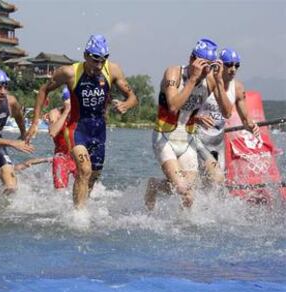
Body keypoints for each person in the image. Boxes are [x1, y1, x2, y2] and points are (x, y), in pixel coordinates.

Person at [26, 34, 138, 208]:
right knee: (84, 169)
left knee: (92, 175)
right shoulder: (69, 73)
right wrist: (34, 123)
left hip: (99, 132)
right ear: (86, 56)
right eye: (95, 61)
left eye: (103, 60)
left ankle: (80, 207)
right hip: (77, 130)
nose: (99, 66)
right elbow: (43, 90)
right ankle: (78, 216)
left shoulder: (113, 70)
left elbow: (132, 97)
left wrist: (126, 105)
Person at [145, 38, 232, 210]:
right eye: (202, 65)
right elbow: (173, 106)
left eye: (209, 66)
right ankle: (153, 186)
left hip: (188, 140)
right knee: (183, 189)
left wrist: (220, 82)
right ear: (192, 59)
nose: (205, 71)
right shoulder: (173, 73)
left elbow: (227, 113)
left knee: (194, 191)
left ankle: (183, 227)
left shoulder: (211, 79)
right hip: (165, 138)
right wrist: (192, 80)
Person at [195, 48, 260, 185]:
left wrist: (252, 126)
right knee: (214, 179)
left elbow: (245, 119)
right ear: (220, 65)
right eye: (229, 64)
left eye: (237, 65)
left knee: (213, 185)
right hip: (197, 138)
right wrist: (197, 119)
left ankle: (158, 186)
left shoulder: (237, 88)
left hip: (218, 142)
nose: (233, 69)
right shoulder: (206, 82)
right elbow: (186, 111)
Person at [47, 87, 77, 189]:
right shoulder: (56, 113)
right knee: (60, 191)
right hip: (61, 157)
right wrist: (67, 111)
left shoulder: (81, 115)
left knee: (84, 189)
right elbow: (52, 132)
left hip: (77, 157)